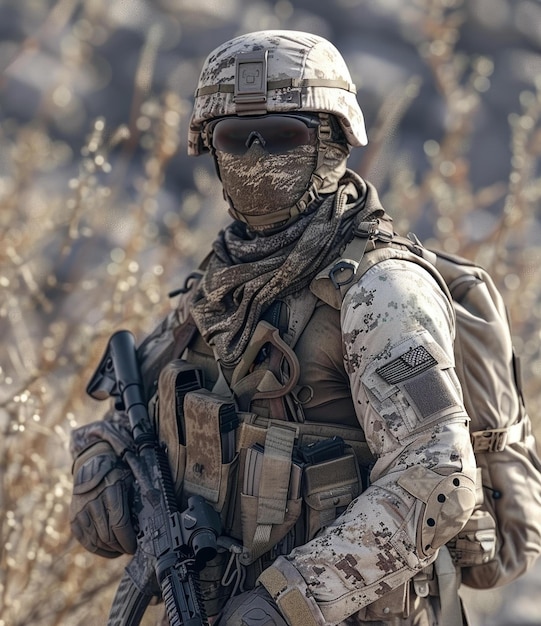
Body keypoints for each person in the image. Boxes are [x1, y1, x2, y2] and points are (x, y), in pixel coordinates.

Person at [69, 30, 478, 625]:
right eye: (236, 137)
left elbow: (439, 475)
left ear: (334, 141)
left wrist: (289, 602)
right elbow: (125, 411)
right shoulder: (223, 281)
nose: (257, 157)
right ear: (211, 148)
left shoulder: (378, 290)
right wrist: (96, 467)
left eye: (285, 135)